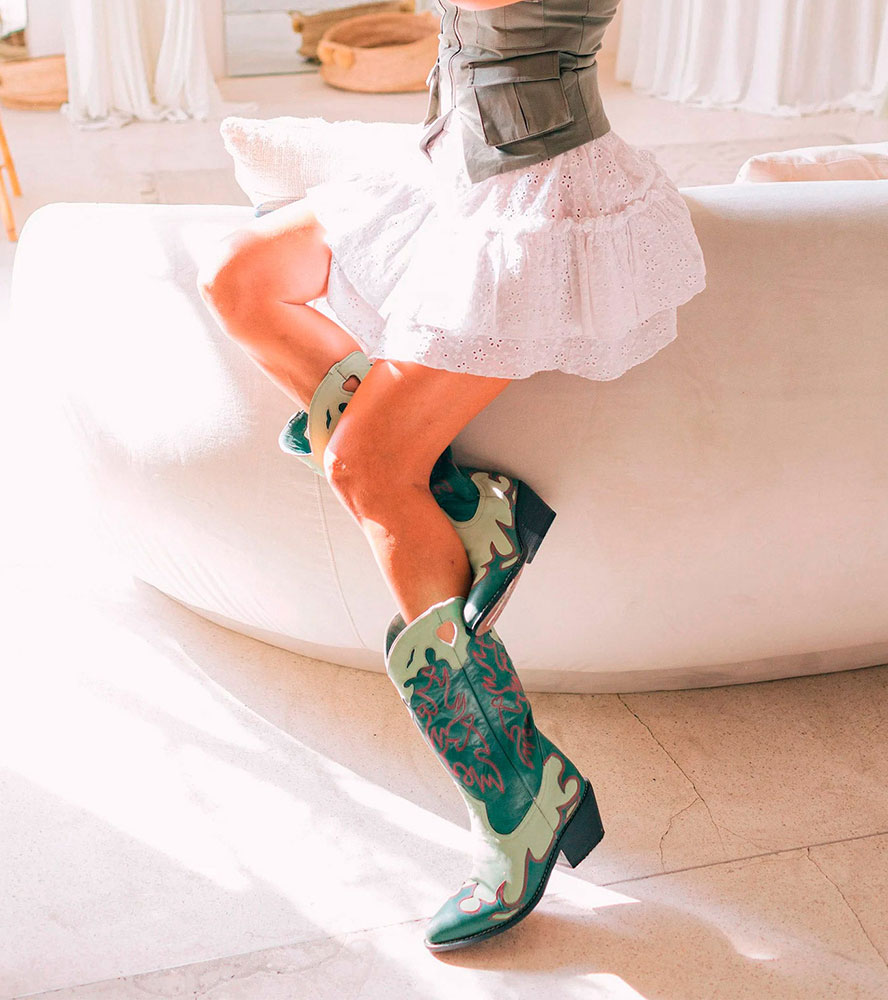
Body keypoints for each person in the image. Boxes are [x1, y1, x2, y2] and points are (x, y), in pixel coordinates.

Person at [198, 0, 707, 952]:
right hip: (451, 167)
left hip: (540, 196)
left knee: (366, 467)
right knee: (240, 277)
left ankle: (520, 795)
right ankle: (467, 509)